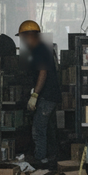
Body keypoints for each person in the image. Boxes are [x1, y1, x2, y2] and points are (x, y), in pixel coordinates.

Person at [18, 20, 60, 166]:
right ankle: (51, 159)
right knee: (48, 129)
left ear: (30, 35)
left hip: (46, 96)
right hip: (49, 95)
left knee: (38, 129)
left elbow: (43, 73)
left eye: (22, 37)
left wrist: (35, 95)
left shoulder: (40, 49)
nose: (22, 41)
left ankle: (40, 160)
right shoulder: (41, 48)